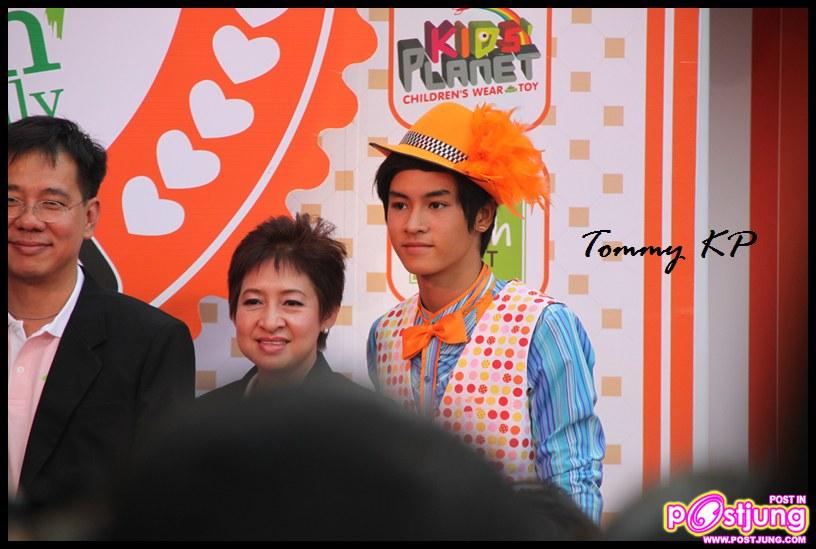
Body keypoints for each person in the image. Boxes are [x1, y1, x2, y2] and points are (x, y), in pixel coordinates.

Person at [366, 102, 606, 523]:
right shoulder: (384, 334)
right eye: (399, 205)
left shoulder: (542, 326)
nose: (412, 224)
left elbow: (572, 484)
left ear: (482, 215)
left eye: (436, 205)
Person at [105, 380, 595, 540]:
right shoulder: (205, 426)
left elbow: (573, 462)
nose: (270, 319)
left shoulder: (358, 426)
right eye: (253, 300)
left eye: (292, 302)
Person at [8, 116, 195, 511]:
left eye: (51, 203)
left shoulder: (150, 344)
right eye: (11, 200)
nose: (28, 220)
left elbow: (165, 499)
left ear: (90, 217)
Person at [199, 214, 353, 402]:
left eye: (291, 303)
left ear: (328, 314)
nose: (270, 323)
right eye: (254, 301)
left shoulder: (364, 416)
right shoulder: (203, 414)